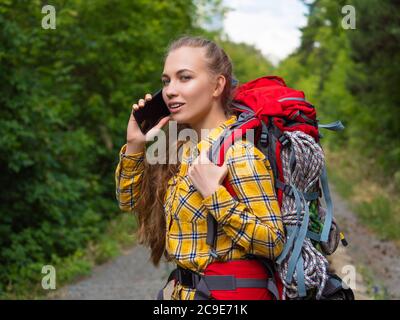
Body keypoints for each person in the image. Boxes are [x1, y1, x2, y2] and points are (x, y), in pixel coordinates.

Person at [115, 36, 285, 300]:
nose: (170, 90)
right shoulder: (179, 150)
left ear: (217, 86)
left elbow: (274, 242)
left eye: (184, 78)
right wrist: (135, 145)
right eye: (166, 81)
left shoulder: (238, 153)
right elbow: (128, 202)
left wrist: (214, 195)